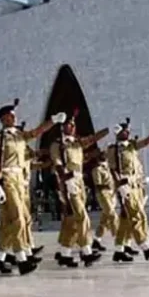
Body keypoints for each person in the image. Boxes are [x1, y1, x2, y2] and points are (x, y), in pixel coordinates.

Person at [0, 99, 65, 275]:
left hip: (20, 180)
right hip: (6, 178)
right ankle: (21, 259)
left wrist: (52, 121)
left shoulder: (20, 135)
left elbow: (37, 132)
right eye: (10, 116)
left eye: (14, 115)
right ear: (3, 119)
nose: (14, 118)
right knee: (18, 219)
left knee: (13, 220)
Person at [50, 113, 108, 268]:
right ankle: (86, 251)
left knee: (72, 220)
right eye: (68, 125)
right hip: (68, 181)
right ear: (62, 127)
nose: (71, 127)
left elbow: (92, 139)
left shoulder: (77, 143)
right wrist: (65, 180)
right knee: (82, 216)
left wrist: (106, 130)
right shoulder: (57, 145)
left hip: (79, 181)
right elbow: (57, 164)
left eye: (73, 125)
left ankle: (65, 254)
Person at [107, 118, 149, 263]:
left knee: (126, 219)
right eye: (125, 131)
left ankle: (119, 250)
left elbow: (145, 142)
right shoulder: (113, 149)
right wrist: (120, 186)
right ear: (118, 133)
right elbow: (113, 169)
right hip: (125, 185)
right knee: (135, 215)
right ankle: (145, 247)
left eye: (128, 131)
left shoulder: (131, 146)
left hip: (135, 184)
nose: (128, 133)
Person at [90, 150, 117, 252]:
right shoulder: (97, 169)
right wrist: (108, 186)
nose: (105, 156)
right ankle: (119, 241)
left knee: (104, 220)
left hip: (112, 194)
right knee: (113, 216)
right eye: (103, 155)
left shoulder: (108, 168)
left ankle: (97, 240)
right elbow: (97, 185)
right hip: (103, 194)